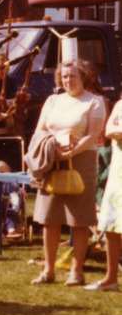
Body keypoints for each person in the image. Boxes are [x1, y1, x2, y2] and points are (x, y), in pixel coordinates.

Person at [28, 58, 107, 286]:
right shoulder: (53, 100)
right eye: (64, 76)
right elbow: (39, 130)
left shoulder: (94, 101)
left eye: (72, 76)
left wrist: (70, 153)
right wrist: (53, 151)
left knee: (79, 219)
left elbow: (93, 135)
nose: (68, 80)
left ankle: (76, 272)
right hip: (52, 161)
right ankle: (49, 271)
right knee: (49, 218)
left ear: (83, 77)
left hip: (81, 161)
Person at [89, 96, 122, 291]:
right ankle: (110, 278)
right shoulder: (119, 104)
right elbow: (109, 130)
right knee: (111, 224)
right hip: (117, 175)